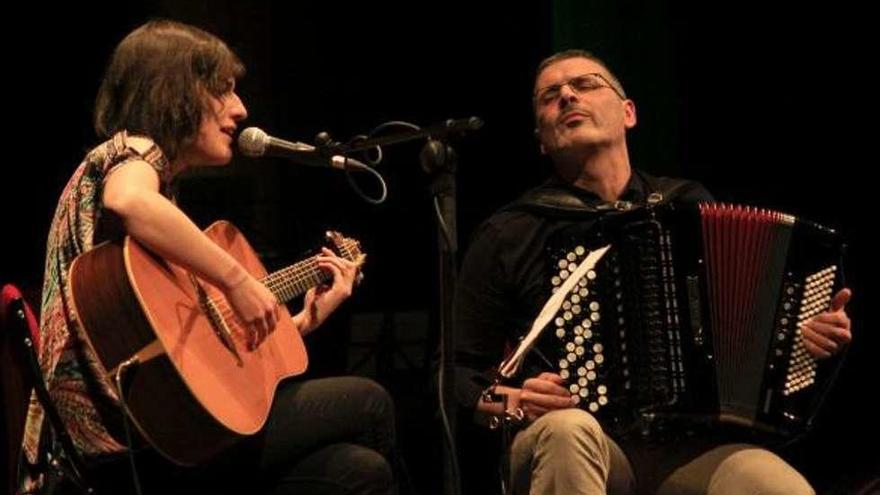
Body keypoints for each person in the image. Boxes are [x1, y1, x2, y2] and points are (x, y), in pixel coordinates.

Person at [453, 49, 853, 495]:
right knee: (569, 431)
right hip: (580, 439)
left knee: (774, 484)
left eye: (585, 84)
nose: (567, 95)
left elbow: (747, 331)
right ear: (541, 140)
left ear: (628, 113)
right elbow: (453, 374)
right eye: (549, 96)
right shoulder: (510, 231)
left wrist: (803, 337)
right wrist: (511, 400)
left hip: (691, 448)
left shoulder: (686, 204)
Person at [20, 20, 395, 495]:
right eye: (223, 90)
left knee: (358, 470)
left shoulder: (160, 213)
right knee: (369, 402)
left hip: (161, 431)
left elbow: (183, 357)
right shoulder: (134, 153)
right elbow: (129, 201)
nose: (241, 109)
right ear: (173, 92)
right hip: (129, 447)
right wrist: (238, 281)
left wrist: (300, 323)